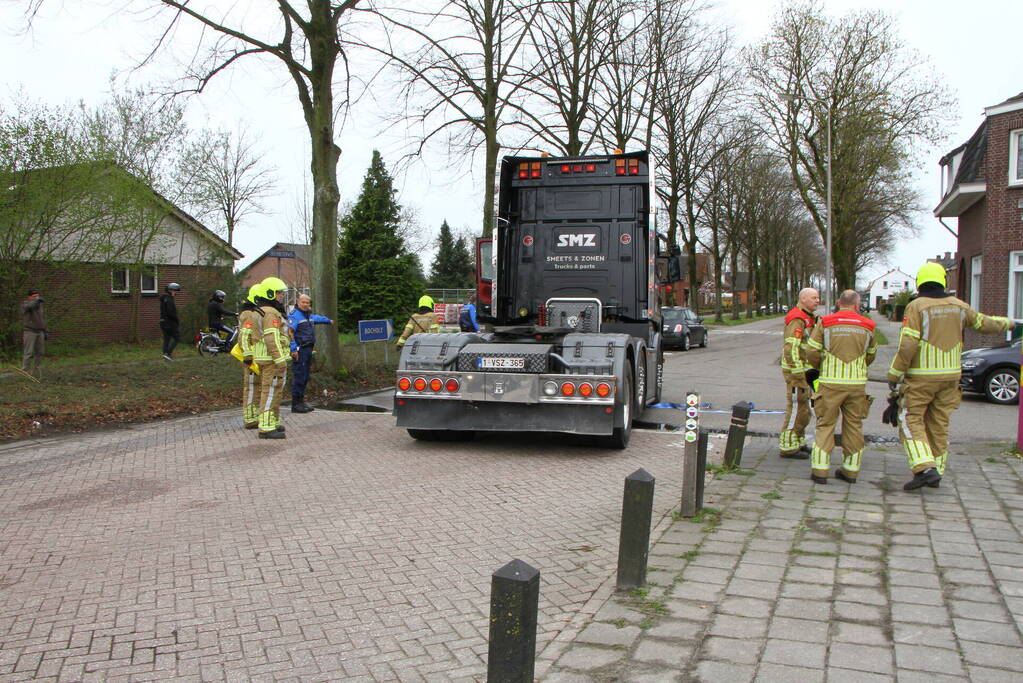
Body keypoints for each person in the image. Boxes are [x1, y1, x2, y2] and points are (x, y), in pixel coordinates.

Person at [888, 262, 1015, 490]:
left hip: (921, 377)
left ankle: (924, 468)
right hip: (951, 377)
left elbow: (908, 344)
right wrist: (1008, 323)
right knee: (939, 424)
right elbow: (983, 323)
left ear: (919, 283)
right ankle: (937, 472)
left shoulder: (916, 307)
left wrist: (895, 373)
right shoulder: (959, 306)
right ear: (943, 281)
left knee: (909, 418)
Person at [803, 290, 877, 485]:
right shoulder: (868, 325)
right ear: (857, 305)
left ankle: (820, 472)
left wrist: (819, 366)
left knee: (825, 425)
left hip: (830, 383)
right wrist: (860, 365)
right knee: (854, 425)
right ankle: (850, 472)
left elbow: (811, 349)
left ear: (838, 303)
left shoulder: (826, 322)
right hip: (857, 384)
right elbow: (871, 353)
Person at [778, 287, 820, 458]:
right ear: (803, 299)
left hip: (806, 373)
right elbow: (791, 348)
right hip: (798, 375)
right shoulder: (798, 319)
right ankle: (788, 446)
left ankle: (798, 441)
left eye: (818, 297)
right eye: (814, 298)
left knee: (804, 410)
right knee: (796, 408)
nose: (817, 300)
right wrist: (797, 375)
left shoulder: (808, 317)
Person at [253, 277, 291, 439]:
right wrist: (279, 359)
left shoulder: (260, 311)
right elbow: (271, 337)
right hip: (271, 359)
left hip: (265, 357)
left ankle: (273, 421)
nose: (281, 296)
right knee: (270, 392)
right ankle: (266, 427)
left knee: (273, 391)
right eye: (278, 293)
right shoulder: (270, 313)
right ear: (269, 294)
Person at [287, 293, 334, 413]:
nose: (305, 304)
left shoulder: (308, 315)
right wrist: (293, 349)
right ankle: (296, 404)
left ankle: (301, 402)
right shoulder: (294, 316)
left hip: (308, 349)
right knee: (299, 376)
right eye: (303, 302)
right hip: (300, 350)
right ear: (298, 302)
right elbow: (290, 333)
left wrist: (328, 321)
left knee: (305, 377)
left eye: (307, 302)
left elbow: (317, 318)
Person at [237, 284, 266, 429]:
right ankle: (250, 417)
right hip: (251, 358)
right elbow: (244, 336)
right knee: (251, 386)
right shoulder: (248, 314)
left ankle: (254, 415)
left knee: (256, 387)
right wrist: (248, 355)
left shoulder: (253, 312)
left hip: (257, 355)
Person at [21, 289, 47, 378]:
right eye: (35, 296)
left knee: (40, 352)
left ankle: (37, 371)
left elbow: (42, 319)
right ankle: (25, 371)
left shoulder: (40, 306)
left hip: (40, 331)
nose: (37, 298)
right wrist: (36, 301)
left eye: (38, 296)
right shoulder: (25, 304)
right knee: (29, 353)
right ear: (29, 297)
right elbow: (30, 306)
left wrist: (45, 330)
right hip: (30, 331)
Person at [159, 283, 182, 360]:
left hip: (163, 322)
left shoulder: (164, 299)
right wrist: (176, 320)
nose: (176, 293)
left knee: (167, 339)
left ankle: (165, 355)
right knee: (177, 338)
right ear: (170, 290)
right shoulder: (169, 299)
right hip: (170, 322)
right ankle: (168, 353)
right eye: (175, 291)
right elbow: (171, 312)